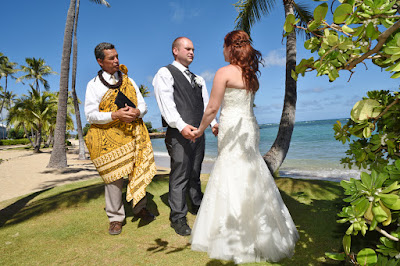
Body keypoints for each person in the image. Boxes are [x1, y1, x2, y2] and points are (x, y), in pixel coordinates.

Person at [190, 30, 299, 263]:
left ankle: (233, 236)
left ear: (231, 47)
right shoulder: (251, 76)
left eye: (223, 46)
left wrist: (200, 130)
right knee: (250, 172)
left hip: (232, 126)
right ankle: (260, 231)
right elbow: (244, 105)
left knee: (230, 172)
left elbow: (212, 108)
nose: (222, 50)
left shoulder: (224, 72)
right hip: (249, 127)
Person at [85, 42, 157, 235]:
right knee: (114, 178)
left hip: (133, 134)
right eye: (111, 58)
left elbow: (143, 105)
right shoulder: (93, 85)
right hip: (108, 138)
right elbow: (90, 115)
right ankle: (115, 218)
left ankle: (140, 207)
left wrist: (137, 111)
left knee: (137, 170)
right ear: (100, 61)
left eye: (117, 56)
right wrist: (115, 115)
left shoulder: (129, 81)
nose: (117, 60)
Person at [153, 37, 218, 236]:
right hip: (178, 133)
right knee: (180, 175)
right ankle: (178, 218)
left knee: (195, 172)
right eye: (187, 48)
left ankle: (196, 205)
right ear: (175, 50)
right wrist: (181, 126)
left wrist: (214, 124)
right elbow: (166, 105)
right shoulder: (165, 73)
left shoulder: (199, 78)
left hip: (199, 132)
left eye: (193, 49)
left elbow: (207, 104)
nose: (192, 52)